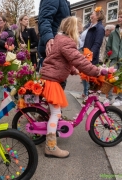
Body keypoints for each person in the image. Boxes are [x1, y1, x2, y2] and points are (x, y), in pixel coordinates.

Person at [40, 16, 105, 158]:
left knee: (54, 112)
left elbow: (60, 60)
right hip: (52, 81)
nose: (80, 34)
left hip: (50, 78)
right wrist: (97, 71)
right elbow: (78, 60)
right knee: (56, 113)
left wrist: (73, 70)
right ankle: (50, 147)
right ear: (73, 30)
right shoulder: (67, 42)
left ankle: (51, 132)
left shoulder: (59, 39)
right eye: (79, 31)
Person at [38, 0, 71, 89]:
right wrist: (48, 38)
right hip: (54, 48)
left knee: (58, 86)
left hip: (60, 47)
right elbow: (45, 19)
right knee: (52, 88)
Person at [80, 7, 105, 98]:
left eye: (93, 13)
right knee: (83, 75)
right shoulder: (89, 26)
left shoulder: (100, 28)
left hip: (90, 56)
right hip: (84, 52)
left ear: (98, 16)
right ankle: (85, 93)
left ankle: (89, 96)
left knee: (90, 77)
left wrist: (90, 55)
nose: (91, 14)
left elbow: (97, 44)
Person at [106, 9, 122, 106]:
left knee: (120, 79)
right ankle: (109, 98)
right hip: (114, 59)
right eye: (119, 16)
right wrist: (110, 54)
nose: (119, 18)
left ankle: (119, 98)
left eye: (121, 17)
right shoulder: (113, 33)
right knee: (110, 78)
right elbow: (108, 46)